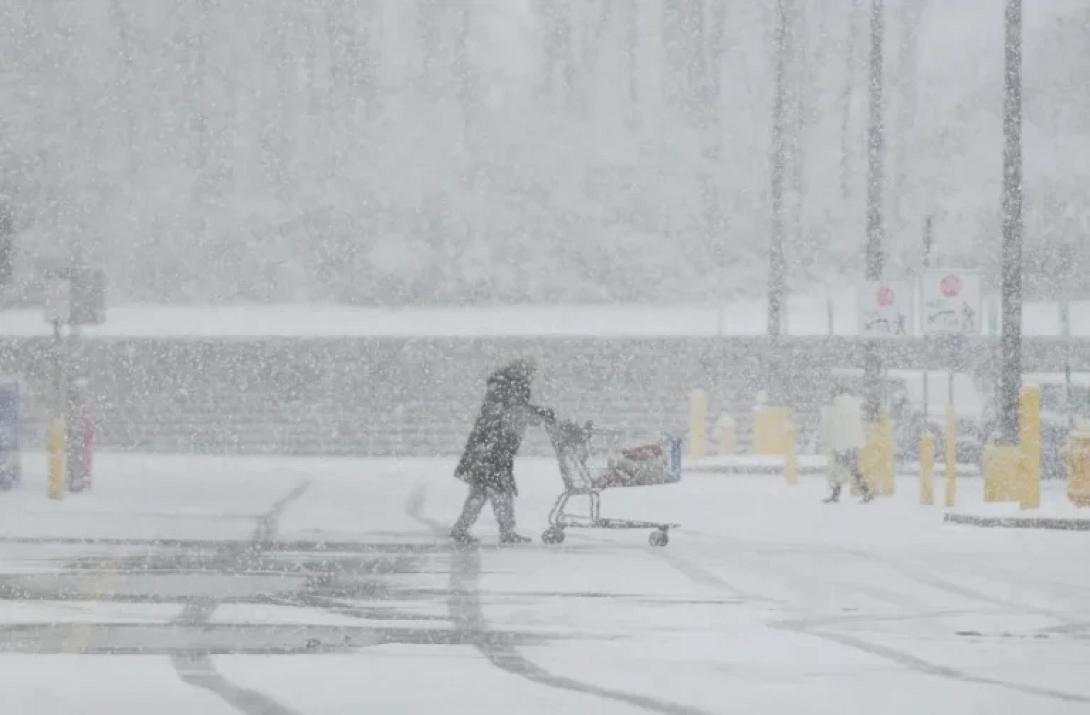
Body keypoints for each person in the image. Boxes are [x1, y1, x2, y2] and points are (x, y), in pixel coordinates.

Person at [450, 359, 553, 544]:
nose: (531, 378)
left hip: (486, 449)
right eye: (529, 373)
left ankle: (463, 528)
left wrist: (536, 413)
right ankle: (505, 531)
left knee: (481, 491)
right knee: (500, 491)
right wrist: (541, 414)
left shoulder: (501, 389)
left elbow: (513, 411)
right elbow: (515, 412)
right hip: (494, 450)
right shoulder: (509, 390)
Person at [820, 385, 874, 504]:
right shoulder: (853, 405)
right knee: (850, 469)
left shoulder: (837, 405)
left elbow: (834, 427)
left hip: (842, 444)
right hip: (852, 444)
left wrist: (831, 443)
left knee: (841, 470)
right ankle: (840, 494)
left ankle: (864, 492)